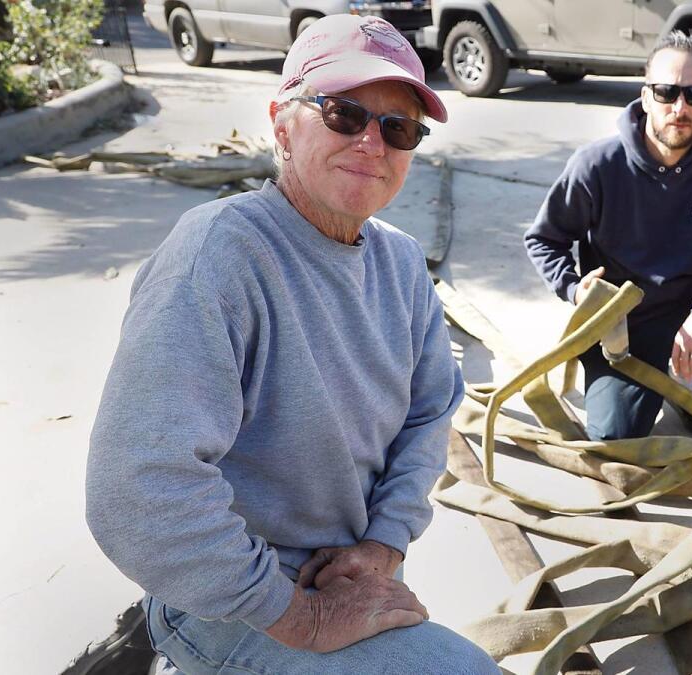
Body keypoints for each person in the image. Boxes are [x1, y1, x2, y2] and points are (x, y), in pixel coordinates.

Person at [85, 15, 498, 672]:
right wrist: (298, 615)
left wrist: (385, 544)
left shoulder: (401, 264)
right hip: (232, 604)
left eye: (398, 127)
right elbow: (139, 489)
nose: (372, 141)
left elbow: (429, 413)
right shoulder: (218, 256)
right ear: (282, 123)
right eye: (343, 113)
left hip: (341, 575)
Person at [524, 32, 692, 441]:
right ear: (646, 95)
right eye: (667, 92)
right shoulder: (596, 165)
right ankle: (641, 382)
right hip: (616, 327)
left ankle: (680, 378)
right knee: (617, 439)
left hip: (686, 313)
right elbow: (544, 239)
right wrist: (575, 290)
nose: (679, 107)